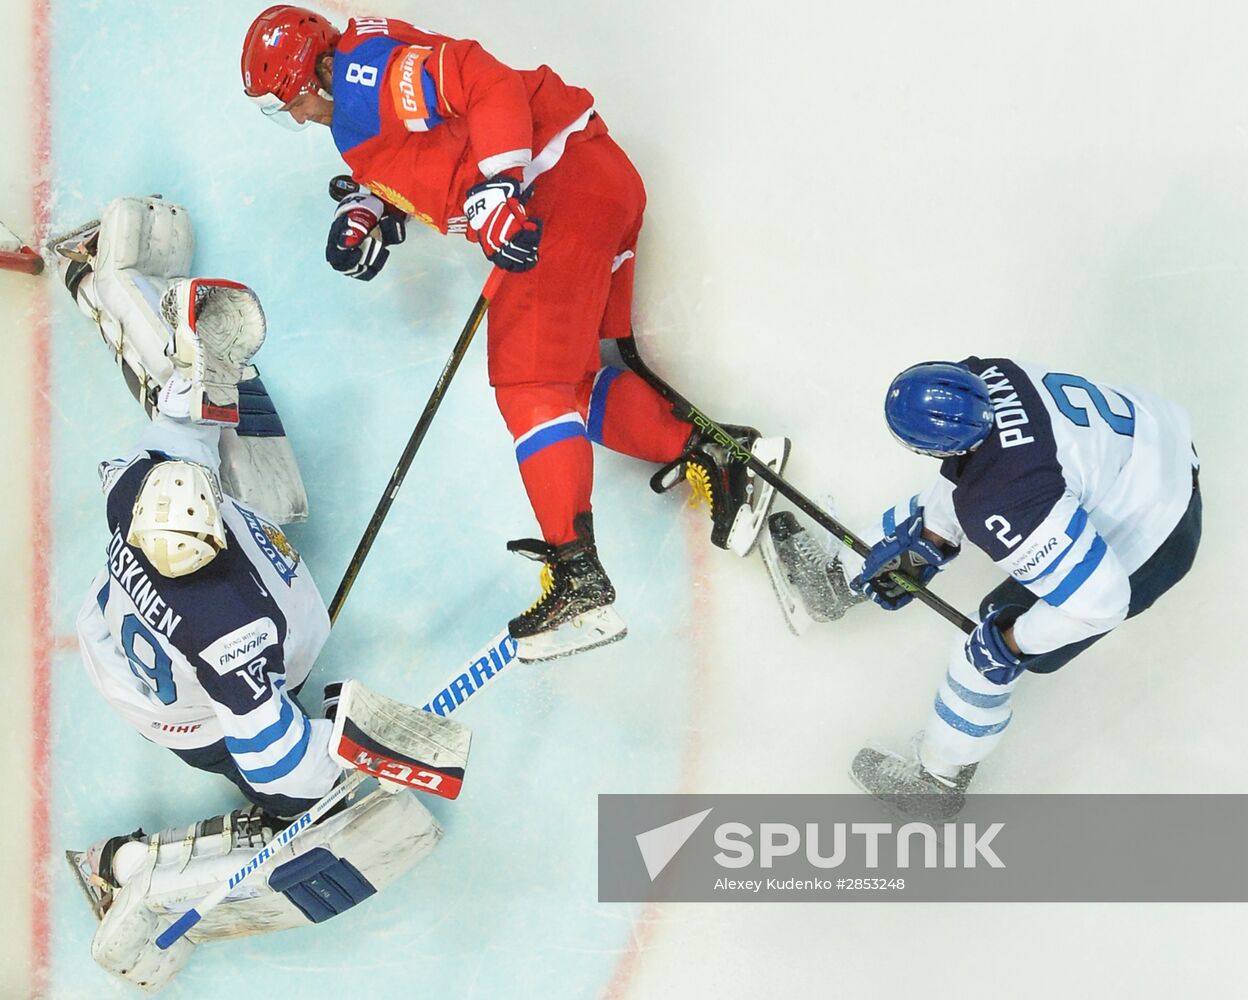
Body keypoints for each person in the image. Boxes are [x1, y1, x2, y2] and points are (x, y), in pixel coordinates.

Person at [239, 5, 788, 662]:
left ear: (321, 69)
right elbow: (429, 151)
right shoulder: (359, 76)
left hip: (560, 189)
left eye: (294, 98)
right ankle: (720, 457)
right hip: (591, 184)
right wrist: (373, 209)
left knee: (530, 387)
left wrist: (499, 186)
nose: (297, 116)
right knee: (571, 387)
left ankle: (579, 580)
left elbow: (484, 80)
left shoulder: (364, 73)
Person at [56, 197, 441, 991]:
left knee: (186, 399)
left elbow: (179, 422)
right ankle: (120, 870)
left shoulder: (138, 489)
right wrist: (338, 757)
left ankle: (94, 269)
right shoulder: (232, 635)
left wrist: (207, 363)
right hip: (190, 707)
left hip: (128, 637)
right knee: (302, 806)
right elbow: (276, 760)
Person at [841, 358, 1201, 818]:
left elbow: (1101, 604)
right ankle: (839, 577)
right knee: (928, 512)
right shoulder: (989, 373)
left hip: (1158, 530)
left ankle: (936, 780)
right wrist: (931, 539)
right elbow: (967, 476)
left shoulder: (1006, 500)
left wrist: (1012, 642)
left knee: (982, 649)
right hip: (1154, 446)